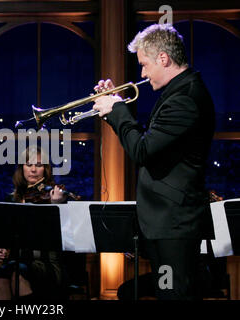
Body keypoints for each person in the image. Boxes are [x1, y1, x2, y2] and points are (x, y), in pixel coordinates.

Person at [92, 24, 215, 300]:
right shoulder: (180, 93)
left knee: (171, 295)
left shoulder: (184, 98)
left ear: (163, 58)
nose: (143, 74)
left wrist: (117, 111)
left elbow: (142, 150)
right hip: (167, 223)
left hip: (173, 224)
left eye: (144, 65)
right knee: (165, 292)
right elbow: (153, 144)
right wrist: (117, 105)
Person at [0, 146, 72, 300]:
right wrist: (1, 248)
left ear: (45, 169)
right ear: (22, 169)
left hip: (47, 264)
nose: (33, 169)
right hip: (17, 261)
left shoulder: (54, 197)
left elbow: (66, 234)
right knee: (0, 278)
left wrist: (56, 205)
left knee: (17, 274)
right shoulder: (11, 200)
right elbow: (6, 236)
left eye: (39, 165)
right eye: (29, 164)